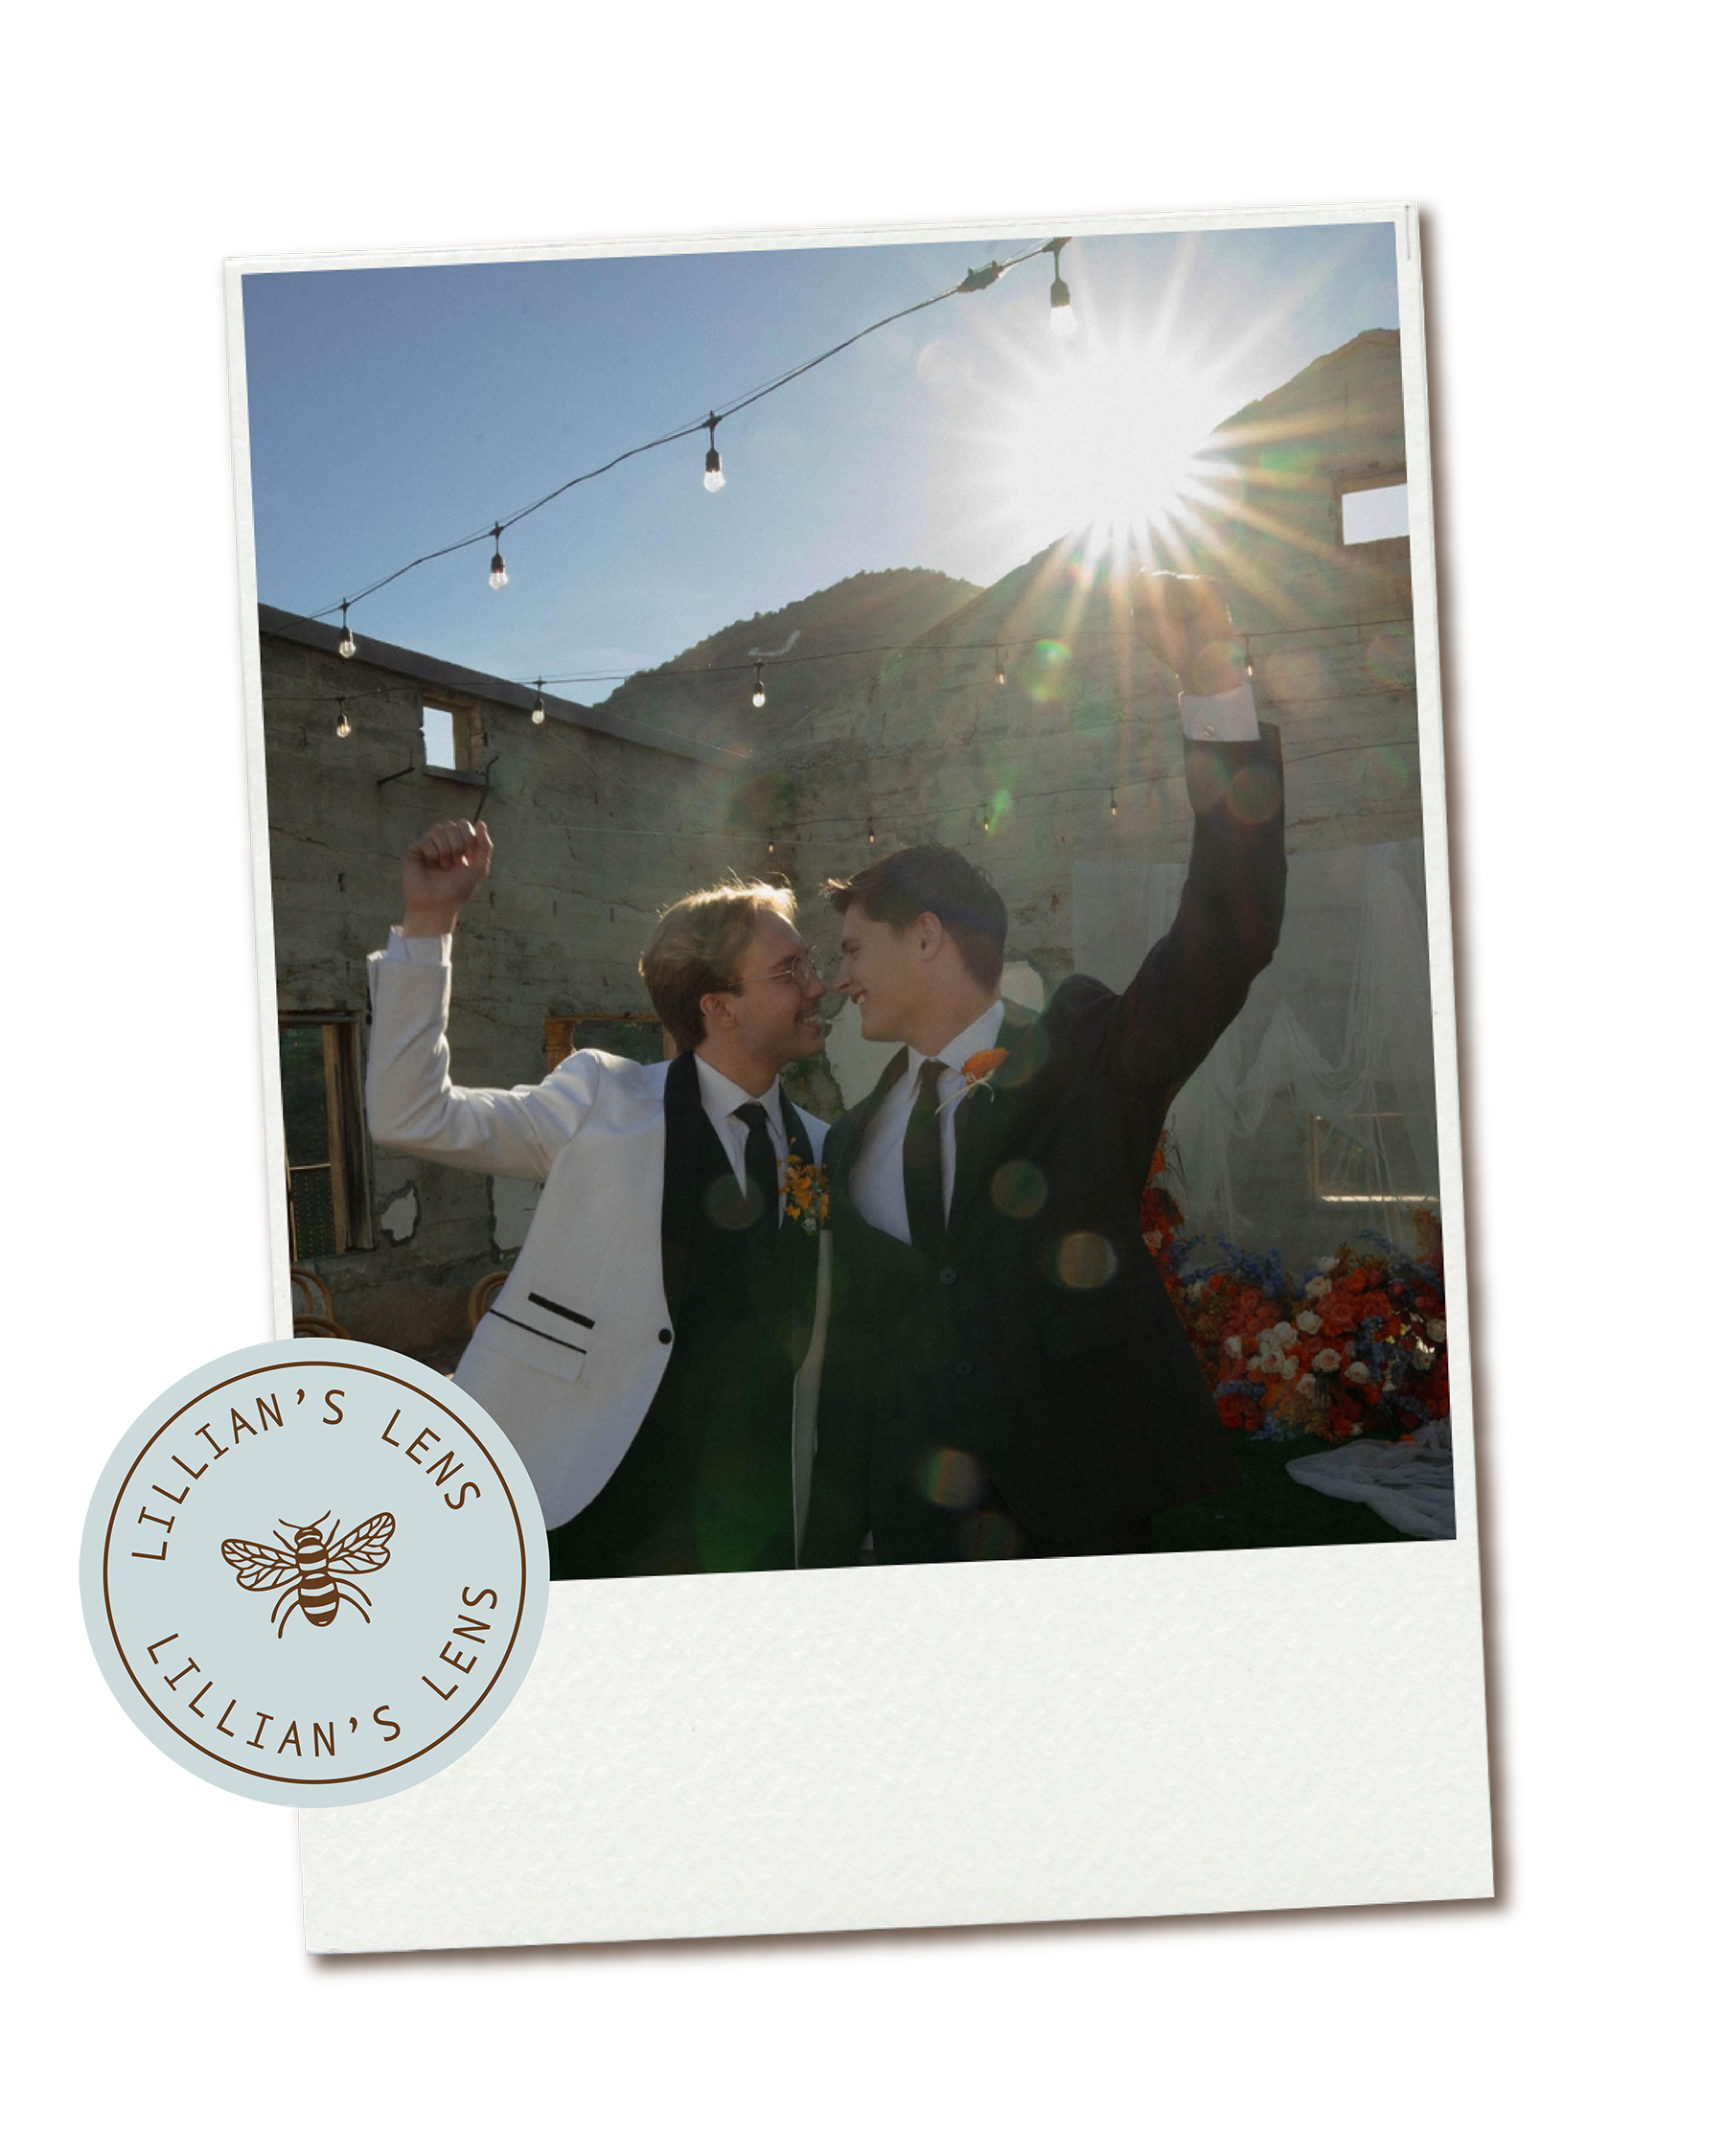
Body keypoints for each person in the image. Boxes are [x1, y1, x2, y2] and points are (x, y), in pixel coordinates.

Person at [802, 572, 1287, 1566]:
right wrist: (829, 1540)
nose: (839, 979)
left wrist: (1213, 691)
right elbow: (858, 1359)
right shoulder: (852, 1140)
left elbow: (1223, 938)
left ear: (927, 938)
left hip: (1078, 1510)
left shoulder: (1083, 1051)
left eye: (852, 950)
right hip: (914, 1526)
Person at [365, 820, 831, 1576]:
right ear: (720, 1007)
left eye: (808, 965)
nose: (817, 986)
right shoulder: (599, 1098)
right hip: (574, 1493)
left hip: (752, 1521)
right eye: (789, 972)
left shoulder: (822, 1144)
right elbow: (408, 1115)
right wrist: (429, 924)